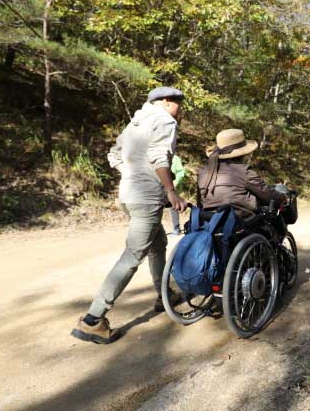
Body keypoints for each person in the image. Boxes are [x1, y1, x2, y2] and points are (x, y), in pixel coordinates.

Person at [71, 86, 187, 345]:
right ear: (167, 101)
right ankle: (93, 319)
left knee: (158, 245)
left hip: (129, 196)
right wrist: (171, 191)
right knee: (132, 256)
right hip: (147, 199)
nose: (182, 110)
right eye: (180, 104)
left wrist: (131, 174)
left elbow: (113, 154)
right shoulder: (165, 120)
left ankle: (163, 295)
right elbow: (159, 156)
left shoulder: (135, 123)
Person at [197, 129, 286, 219]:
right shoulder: (244, 171)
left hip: (209, 221)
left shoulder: (203, 172)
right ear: (242, 154)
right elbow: (267, 194)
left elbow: (199, 202)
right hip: (240, 221)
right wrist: (282, 197)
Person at [168, 154, 186, 236]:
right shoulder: (158, 157)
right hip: (160, 186)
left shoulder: (175, 158)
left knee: (173, 207)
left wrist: (175, 183)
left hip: (173, 187)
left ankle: (176, 228)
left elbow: (181, 172)